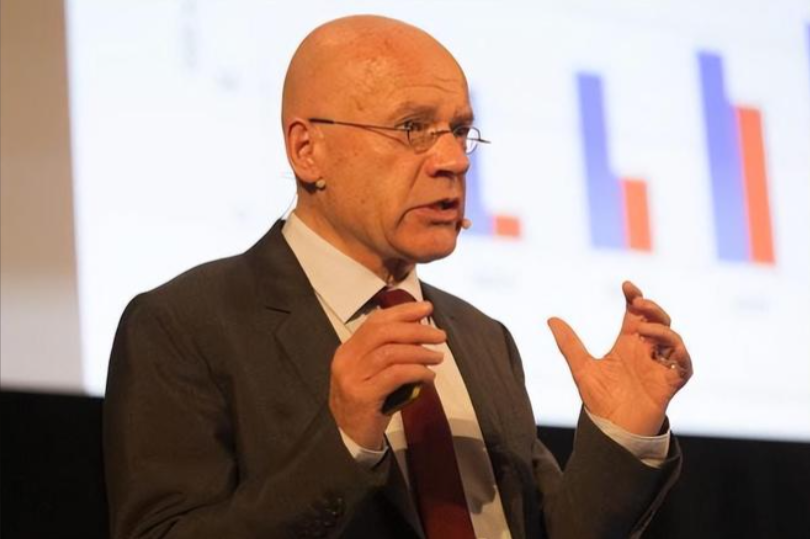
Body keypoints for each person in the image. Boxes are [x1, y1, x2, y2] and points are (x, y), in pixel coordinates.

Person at [104, 15, 692, 539]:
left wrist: (623, 435)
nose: (454, 159)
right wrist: (344, 442)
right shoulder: (186, 326)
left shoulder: (482, 338)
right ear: (308, 151)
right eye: (412, 128)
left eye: (459, 131)